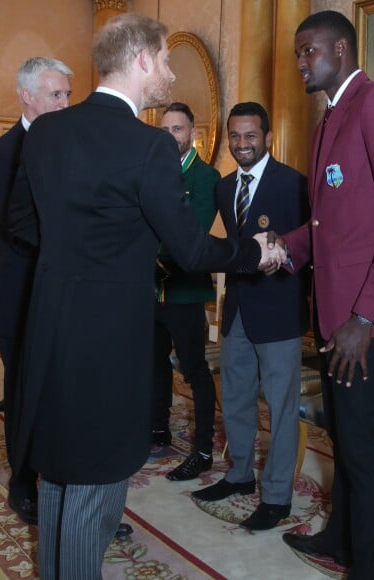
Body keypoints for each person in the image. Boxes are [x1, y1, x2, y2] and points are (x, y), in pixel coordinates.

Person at [5, 14, 278, 579]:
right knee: (95, 482)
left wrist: (87, 253)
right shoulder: (149, 144)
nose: (171, 73)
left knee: (59, 474)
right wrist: (254, 252)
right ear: (142, 60)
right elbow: (194, 252)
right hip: (108, 341)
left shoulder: (47, 131)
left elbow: (21, 222)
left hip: (50, 329)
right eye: (166, 59)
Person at [266, 11, 374, 579]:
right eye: (297, 53)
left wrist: (364, 316)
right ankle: (342, 536)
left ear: (341, 47)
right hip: (335, 317)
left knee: (367, 452)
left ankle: (372, 568)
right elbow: (326, 226)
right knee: (346, 438)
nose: (302, 62)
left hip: (366, 324)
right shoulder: (330, 121)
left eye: (309, 51)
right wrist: (279, 249)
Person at [192, 102, 309, 531]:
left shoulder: (294, 185)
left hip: (279, 312)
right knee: (236, 398)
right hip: (238, 308)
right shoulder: (224, 188)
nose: (242, 144)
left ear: (268, 137)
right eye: (235, 137)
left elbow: (311, 247)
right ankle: (240, 474)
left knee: (280, 410)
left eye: (251, 136)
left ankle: (277, 497)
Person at [0, 56, 73, 526]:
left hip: (68, 295)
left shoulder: (75, 145)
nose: (64, 103)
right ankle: (22, 483)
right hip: (21, 295)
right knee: (22, 395)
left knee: (63, 393)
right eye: (55, 94)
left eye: (67, 95)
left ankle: (64, 485)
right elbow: (17, 228)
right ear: (27, 95)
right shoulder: (2, 154)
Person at [151, 101, 220, 481]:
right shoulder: (151, 173)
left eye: (177, 129)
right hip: (152, 291)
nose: (171, 136)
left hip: (185, 292)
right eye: (166, 130)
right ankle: (158, 431)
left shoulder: (206, 177)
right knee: (153, 364)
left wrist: (154, 246)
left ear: (193, 133)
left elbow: (192, 234)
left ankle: (203, 449)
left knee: (195, 370)